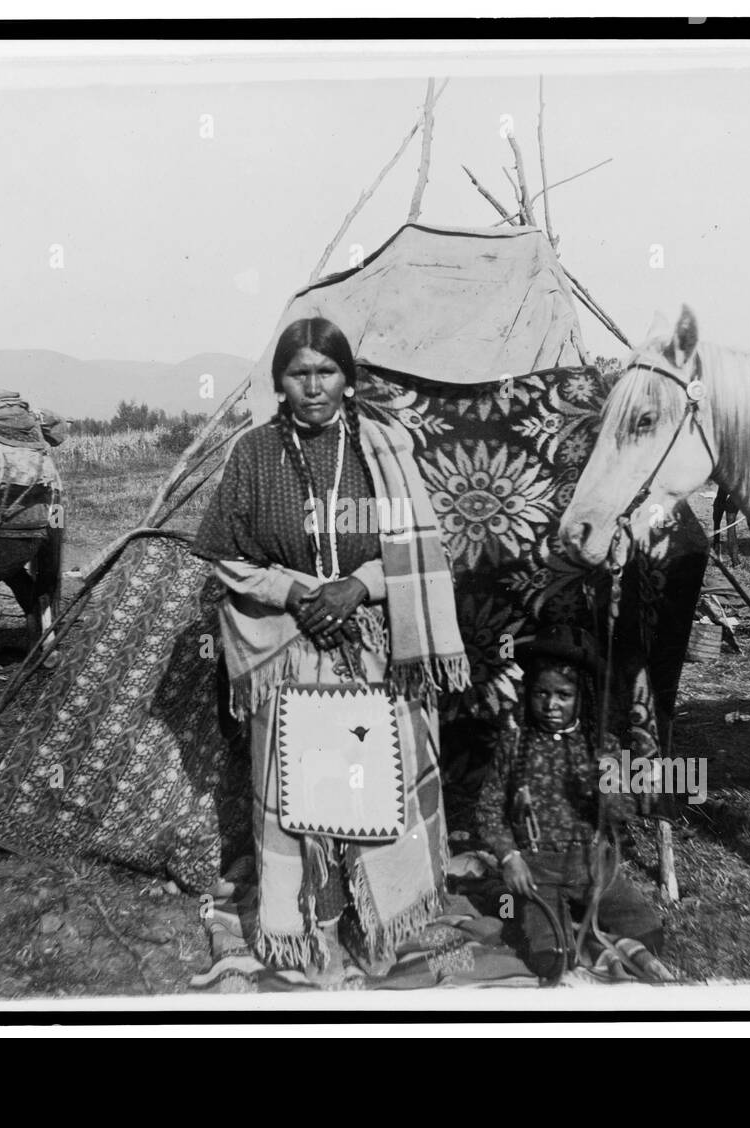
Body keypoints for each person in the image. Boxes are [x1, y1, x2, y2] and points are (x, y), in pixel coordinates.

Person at [192, 317, 469, 982]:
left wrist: (357, 587)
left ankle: (382, 920)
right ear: (280, 382)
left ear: (349, 380)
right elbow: (226, 556)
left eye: (326, 372)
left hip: (373, 641)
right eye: (299, 373)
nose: (313, 386)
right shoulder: (255, 455)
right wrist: (296, 594)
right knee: (303, 793)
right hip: (290, 650)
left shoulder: (385, 449)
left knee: (378, 787)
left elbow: (421, 545)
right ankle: (312, 927)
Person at [476, 623, 664, 980]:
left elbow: (624, 810)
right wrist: (508, 856)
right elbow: (488, 812)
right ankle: (550, 922)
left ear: (581, 697)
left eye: (563, 695)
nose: (551, 705)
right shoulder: (514, 746)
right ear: (529, 693)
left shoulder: (601, 746)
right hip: (536, 871)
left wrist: (606, 790)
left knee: (650, 936)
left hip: (593, 867)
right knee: (552, 958)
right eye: (541, 694)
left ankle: (593, 914)